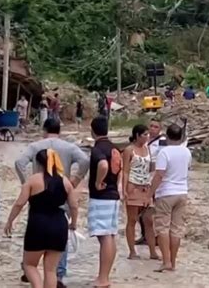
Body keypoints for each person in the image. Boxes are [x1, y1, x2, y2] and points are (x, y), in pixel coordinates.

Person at [15, 117, 89, 288]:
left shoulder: (35, 146)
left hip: (39, 197)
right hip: (62, 193)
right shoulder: (69, 147)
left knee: (36, 233)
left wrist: (27, 183)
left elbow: (19, 163)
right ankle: (59, 275)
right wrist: (75, 180)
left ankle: (32, 271)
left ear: (44, 129)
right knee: (60, 232)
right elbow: (85, 161)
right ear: (60, 130)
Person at [5, 149, 78, 288]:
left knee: (29, 265)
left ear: (39, 164)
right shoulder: (66, 182)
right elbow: (74, 206)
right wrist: (73, 223)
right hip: (59, 225)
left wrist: (10, 221)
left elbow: (20, 203)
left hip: (37, 225)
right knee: (51, 270)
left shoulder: (33, 180)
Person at [150, 123, 192, 272]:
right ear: (181, 137)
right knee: (176, 229)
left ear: (166, 136)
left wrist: (150, 193)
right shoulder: (187, 152)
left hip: (166, 193)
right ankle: (173, 262)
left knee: (163, 228)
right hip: (182, 192)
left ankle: (166, 261)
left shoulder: (164, 152)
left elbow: (159, 175)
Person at [88, 115, 122, 288]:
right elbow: (119, 170)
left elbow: (103, 165)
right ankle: (105, 275)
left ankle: (103, 278)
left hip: (101, 197)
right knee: (110, 235)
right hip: (114, 196)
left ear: (92, 131)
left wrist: (98, 181)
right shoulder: (115, 148)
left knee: (104, 236)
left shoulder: (97, 149)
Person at [122, 124, 158, 260]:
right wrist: (124, 189)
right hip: (133, 186)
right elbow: (125, 170)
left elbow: (149, 168)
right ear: (137, 135)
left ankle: (152, 252)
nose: (147, 137)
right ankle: (132, 251)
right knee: (132, 220)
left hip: (145, 187)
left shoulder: (147, 149)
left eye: (148, 134)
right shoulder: (129, 150)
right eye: (144, 134)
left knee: (148, 220)